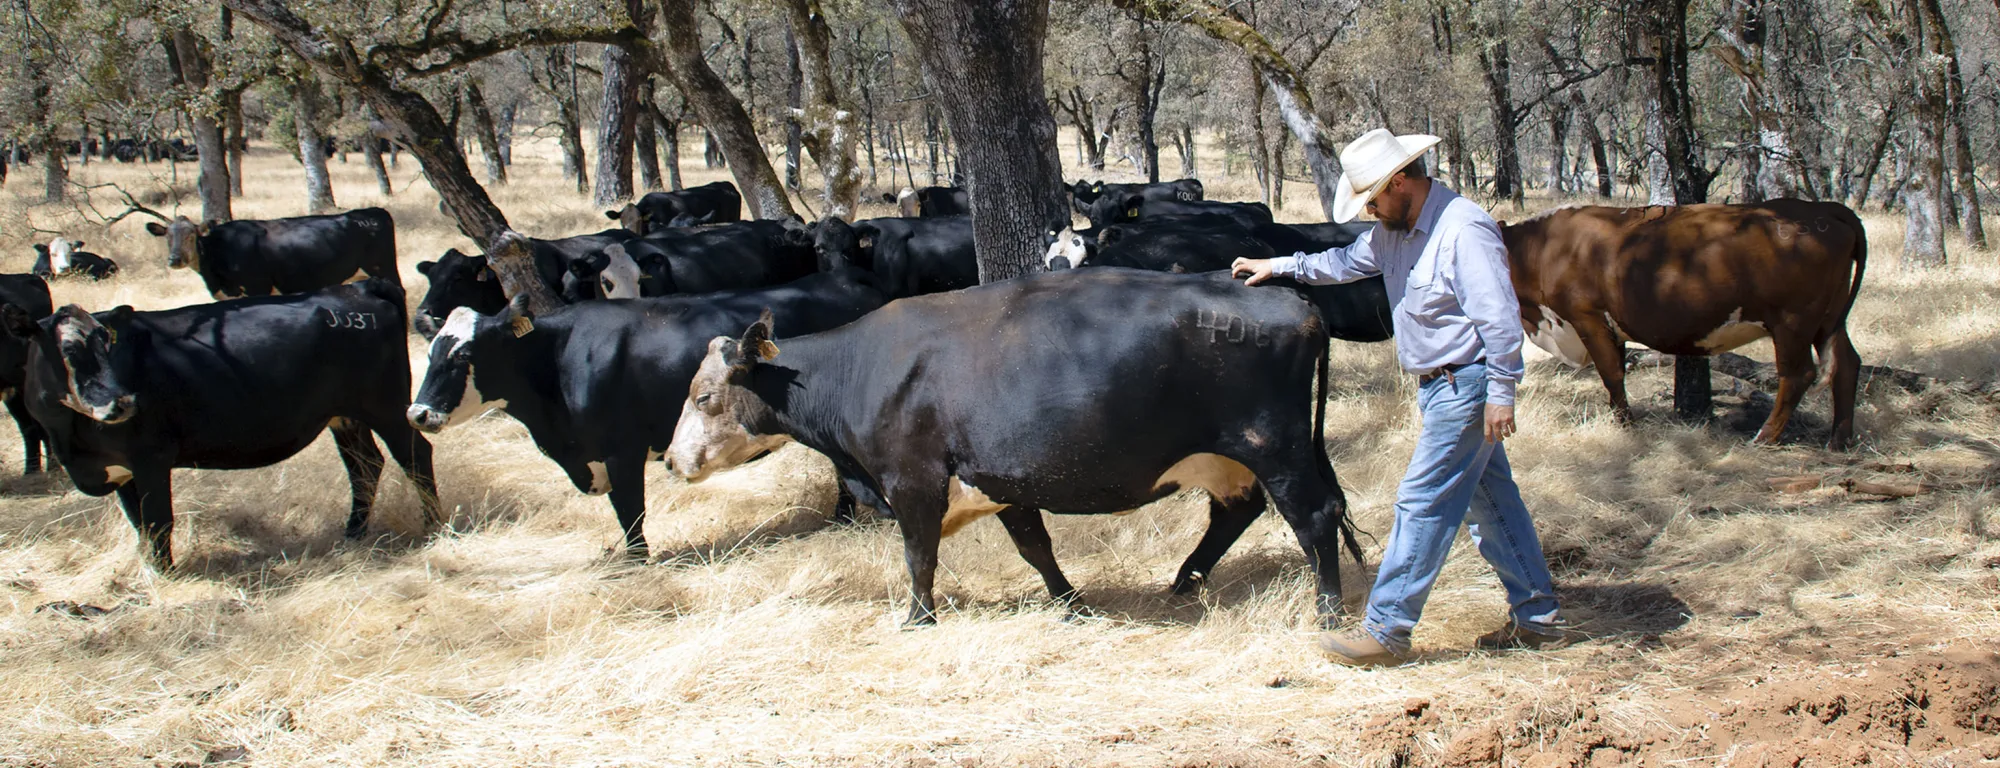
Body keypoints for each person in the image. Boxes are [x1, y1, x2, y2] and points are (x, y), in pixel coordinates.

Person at [1232, 128, 1566, 666]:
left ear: (1402, 180)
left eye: (1374, 198)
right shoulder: (1395, 229)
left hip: (1468, 384)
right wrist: (1279, 266)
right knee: (1493, 506)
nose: (1370, 211)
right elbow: (1342, 263)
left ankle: (1387, 631)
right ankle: (1539, 619)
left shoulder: (1464, 230)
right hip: (1441, 387)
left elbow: (1501, 323)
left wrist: (1502, 392)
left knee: (1422, 501)